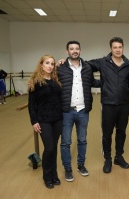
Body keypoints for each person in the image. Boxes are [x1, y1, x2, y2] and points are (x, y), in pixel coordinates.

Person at [88, 37, 129, 174]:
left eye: (120, 47)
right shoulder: (103, 62)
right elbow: (84, 66)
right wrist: (97, 83)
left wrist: (126, 90)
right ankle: (107, 159)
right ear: (111, 48)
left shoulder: (128, 64)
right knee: (107, 134)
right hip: (108, 104)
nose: (118, 49)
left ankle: (118, 157)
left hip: (124, 104)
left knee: (121, 132)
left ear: (123, 48)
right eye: (115, 47)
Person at [58, 41, 98, 181]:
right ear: (66, 51)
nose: (74, 51)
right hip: (66, 111)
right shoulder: (60, 68)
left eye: (77, 49)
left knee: (82, 140)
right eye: (71, 49)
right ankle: (67, 168)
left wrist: (111, 81)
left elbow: (93, 82)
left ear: (80, 51)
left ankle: (81, 165)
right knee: (66, 142)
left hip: (83, 111)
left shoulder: (87, 67)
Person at [28, 55, 62, 189]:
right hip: (43, 120)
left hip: (58, 119)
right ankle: (46, 176)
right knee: (49, 148)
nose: (50, 66)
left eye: (52, 64)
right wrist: (34, 121)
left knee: (54, 148)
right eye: (47, 63)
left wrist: (62, 62)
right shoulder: (35, 81)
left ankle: (54, 174)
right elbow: (31, 104)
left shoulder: (55, 80)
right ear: (41, 64)